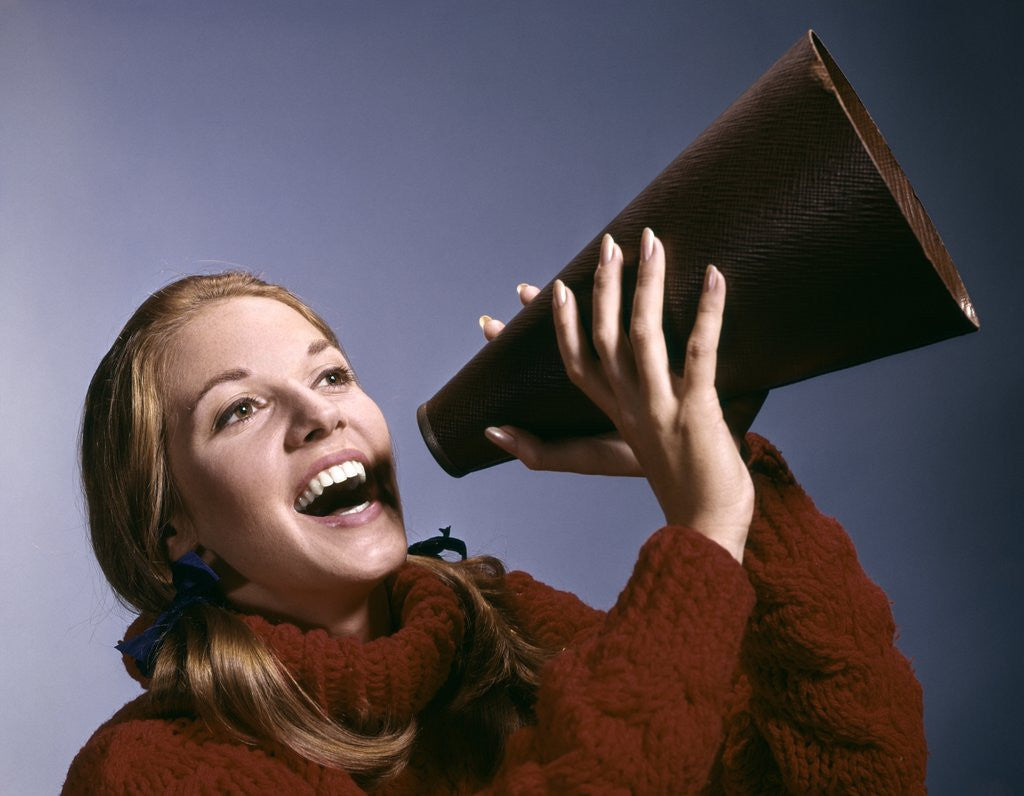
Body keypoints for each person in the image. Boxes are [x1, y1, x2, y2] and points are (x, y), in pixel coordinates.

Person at [64, 230, 926, 793]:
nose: (321, 412)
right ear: (174, 528)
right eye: (239, 409)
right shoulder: (150, 771)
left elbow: (854, 768)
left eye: (330, 375)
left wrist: (739, 488)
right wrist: (700, 545)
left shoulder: (507, 626)